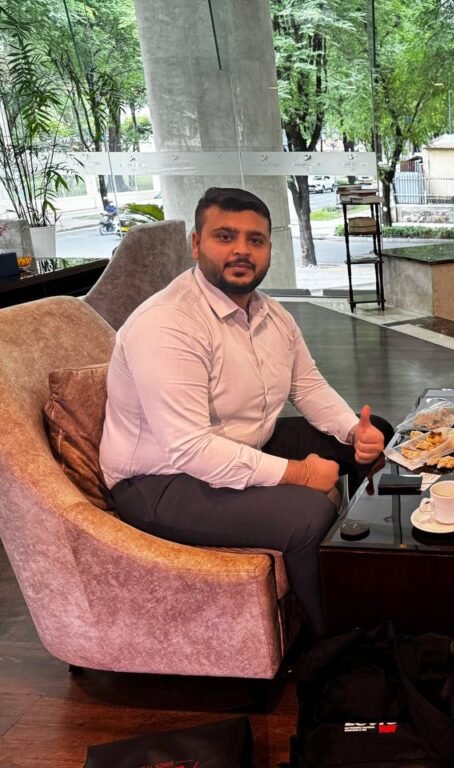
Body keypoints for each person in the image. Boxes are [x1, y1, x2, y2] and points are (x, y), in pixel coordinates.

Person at [99, 186, 392, 637]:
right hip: (161, 481)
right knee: (307, 515)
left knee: (373, 436)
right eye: (225, 236)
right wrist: (299, 474)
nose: (241, 250)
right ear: (196, 244)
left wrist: (355, 432)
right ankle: (332, 640)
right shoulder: (167, 325)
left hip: (241, 444)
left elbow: (308, 386)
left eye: (255, 240)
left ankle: (369, 565)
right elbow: (189, 448)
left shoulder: (271, 314)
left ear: (269, 248)